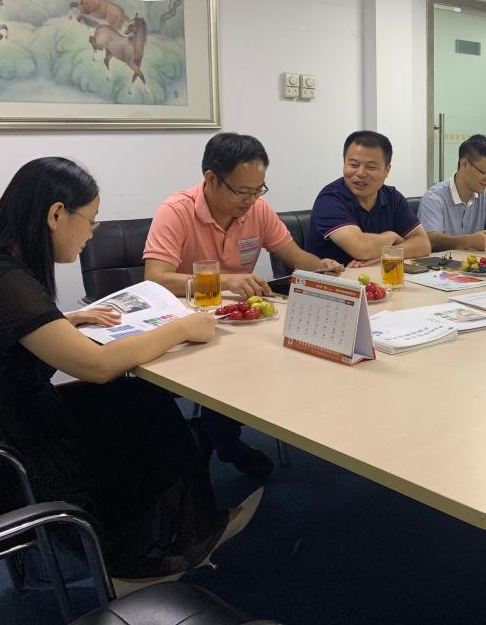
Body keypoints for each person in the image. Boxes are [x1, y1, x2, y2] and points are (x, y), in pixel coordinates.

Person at [0, 157, 261, 587]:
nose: (91, 233)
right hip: (9, 450)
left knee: (139, 399)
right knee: (142, 412)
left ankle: (159, 542)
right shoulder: (7, 278)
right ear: (56, 215)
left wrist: (64, 320)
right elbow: (97, 365)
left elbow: (6, 334)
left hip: (11, 418)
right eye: (90, 221)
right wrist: (183, 327)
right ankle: (143, 557)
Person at [144, 132, 341, 477]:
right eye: (242, 191)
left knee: (296, 349)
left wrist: (324, 267)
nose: (251, 200)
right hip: (188, 326)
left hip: (240, 322)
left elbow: (295, 257)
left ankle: (219, 432)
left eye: (258, 190)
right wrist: (224, 281)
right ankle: (225, 442)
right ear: (211, 179)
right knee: (232, 369)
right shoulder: (176, 211)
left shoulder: (258, 210)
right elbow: (156, 278)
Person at [305, 130, 431, 266]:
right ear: (344, 164)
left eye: (370, 167)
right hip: (331, 278)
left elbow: (423, 245)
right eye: (353, 165)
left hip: (373, 276)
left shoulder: (392, 197)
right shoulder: (330, 199)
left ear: (387, 170)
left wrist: (384, 255)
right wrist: (391, 236)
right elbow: (361, 248)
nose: (360, 173)